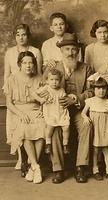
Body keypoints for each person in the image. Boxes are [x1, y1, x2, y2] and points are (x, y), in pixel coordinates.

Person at [43, 33, 93, 184]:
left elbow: (91, 91)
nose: (70, 53)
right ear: (61, 51)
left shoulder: (86, 68)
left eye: (73, 49)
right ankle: (58, 169)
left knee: (87, 126)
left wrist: (75, 98)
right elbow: (42, 87)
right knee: (53, 130)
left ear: (78, 51)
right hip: (57, 112)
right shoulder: (52, 68)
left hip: (78, 110)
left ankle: (80, 167)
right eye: (67, 49)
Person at [4, 23, 42, 173]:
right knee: (21, 125)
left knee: (41, 127)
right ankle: (23, 159)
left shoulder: (35, 52)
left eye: (24, 34)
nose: (21, 37)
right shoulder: (10, 53)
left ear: (28, 35)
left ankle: (33, 165)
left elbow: (38, 75)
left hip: (33, 97)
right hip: (17, 99)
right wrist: (8, 88)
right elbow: (7, 74)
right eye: (18, 34)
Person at [81, 77, 108, 181]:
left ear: (106, 90)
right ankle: (95, 170)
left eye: (103, 89)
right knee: (96, 151)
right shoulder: (90, 101)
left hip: (105, 130)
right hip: (95, 130)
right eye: (98, 89)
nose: (101, 91)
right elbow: (83, 113)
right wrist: (85, 117)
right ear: (94, 89)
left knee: (106, 151)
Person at [32, 68, 70, 155]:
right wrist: (41, 99)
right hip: (51, 112)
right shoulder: (46, 88)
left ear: (60, 81)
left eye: (57, 80)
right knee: (49, 128)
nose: (54, 82)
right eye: (51, 80)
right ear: (47, 81)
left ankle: (65, 144)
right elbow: (34, 94)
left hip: (60, 111)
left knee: (66, 127)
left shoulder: (61, 90)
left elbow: (64, 99)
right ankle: (48, 143)